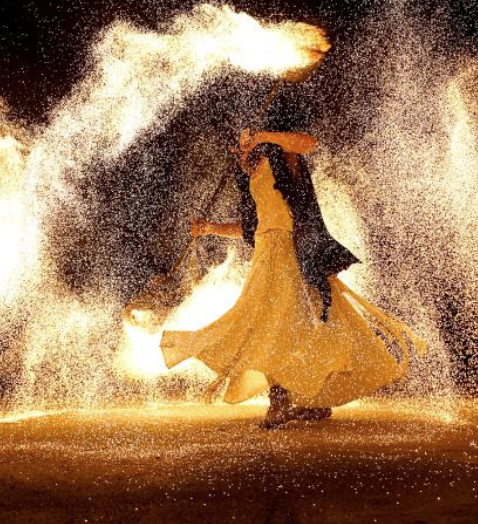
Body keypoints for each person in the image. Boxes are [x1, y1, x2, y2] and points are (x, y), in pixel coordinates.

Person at [160, 128, 422, 428]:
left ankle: (285, 401)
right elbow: (253, 227)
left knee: (281, 324)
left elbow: (308, 143)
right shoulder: (251, 177)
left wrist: (262, 136)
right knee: (280, 325)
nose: (238, 151)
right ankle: (304, 398)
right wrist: (210, 228)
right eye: (235, 148)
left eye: (242, 143)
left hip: (290, 251)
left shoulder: (280, 158)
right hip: (266, 253)